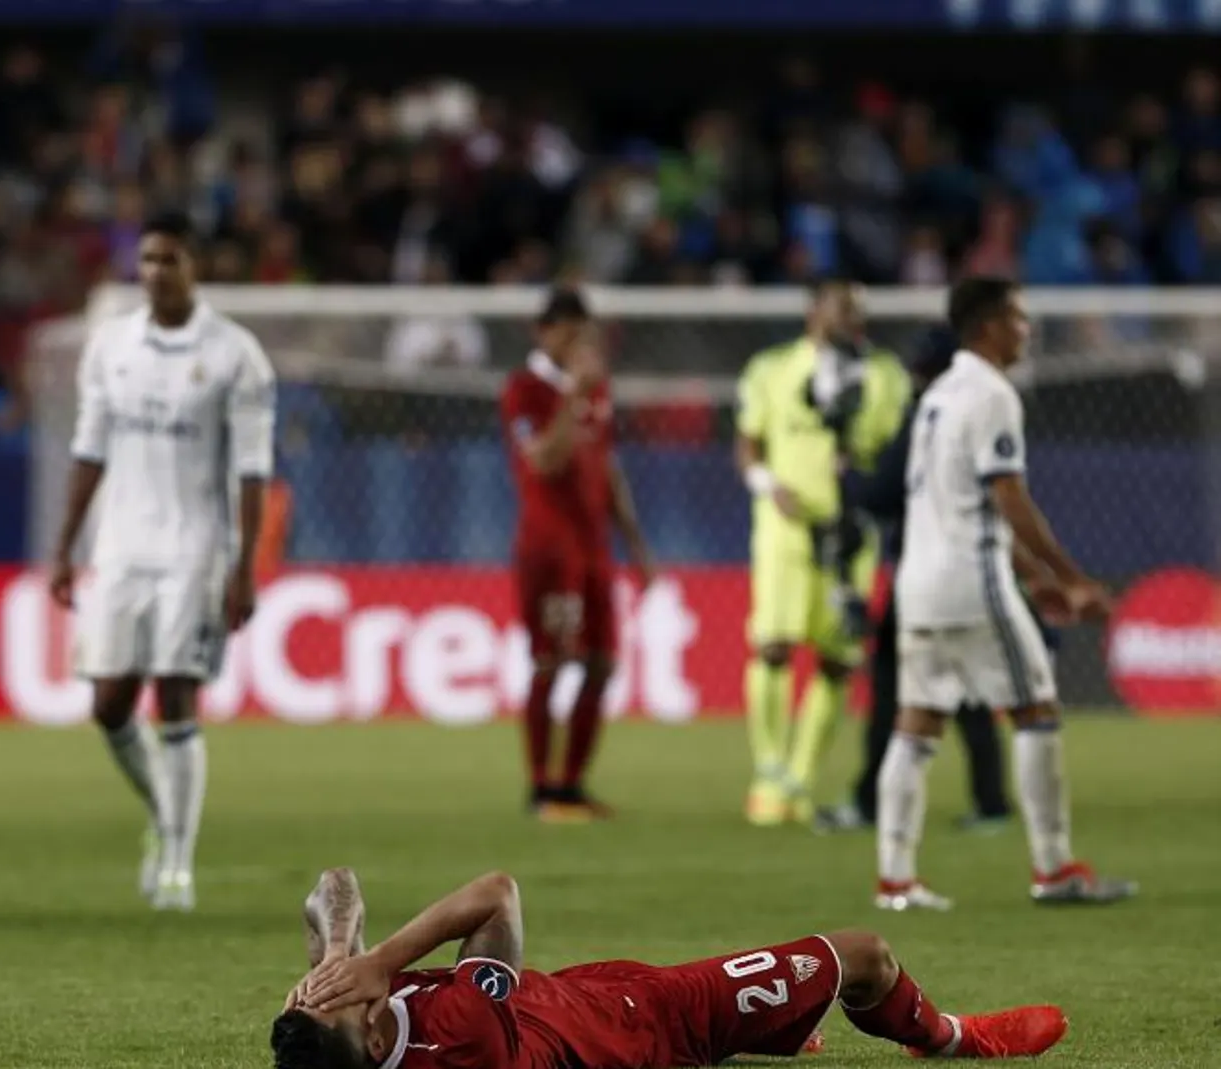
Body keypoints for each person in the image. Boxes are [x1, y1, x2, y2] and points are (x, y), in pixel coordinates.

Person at [879, 276, 1137, 910]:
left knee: (917, 723)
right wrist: (1071, 577)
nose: (1027, 329)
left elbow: (957, 505)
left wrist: (1038, 579)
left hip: (919, 582)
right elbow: (1008, 499)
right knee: (1037, 709)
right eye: (1019, 318)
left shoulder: (938, 393)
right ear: (989, 326)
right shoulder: (992, 394)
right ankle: (1054, 868)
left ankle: (895, 879)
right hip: (973, 580)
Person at [48, 210, 276, 911]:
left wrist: (243, 564)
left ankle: (177, 860)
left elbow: (252, 470)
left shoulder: (237, 355)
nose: (153, 272)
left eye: (167, 259)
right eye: (145, 259)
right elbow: (88, 450)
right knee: (110, 702)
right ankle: (165, 812)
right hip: (121, 547)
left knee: (177, 694)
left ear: (193, 267)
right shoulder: (110, 345)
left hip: (195, 548)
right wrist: (65, 546)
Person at [271, 868, 1069, 1069]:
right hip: (651, 1021)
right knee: (862, 954)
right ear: (377, 1045)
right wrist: (376, 959)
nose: (336, 988)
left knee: (779, 1000)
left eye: (317, 992)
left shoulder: (336, 1027)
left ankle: (778, 1028)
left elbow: (331, 884)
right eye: (340, 999)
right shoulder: (463, 1035)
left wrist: (338, 955)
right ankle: (952, 1038)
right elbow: (496, 897)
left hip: (578, 993)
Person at [819, 327, 1010, 834]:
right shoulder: (983, 416)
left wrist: (848, 476)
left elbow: (882, 493)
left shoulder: (929, 417)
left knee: (888, 690)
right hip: (972, 569)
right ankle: (991, 802)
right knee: (970, 691)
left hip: (925, 574)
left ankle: (869, 802)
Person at [735, 279, 911, 826]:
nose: (850, 318)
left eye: (857, 309)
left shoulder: (886, 376)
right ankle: (768, 771)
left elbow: (894, 450)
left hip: (852, 530)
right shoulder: (771, 368)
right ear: (814, 312)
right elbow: (747, 441)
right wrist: (766, 483)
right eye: (839, 308)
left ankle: (801, 778)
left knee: (838, 660)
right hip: (786, 527)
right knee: (775, 646)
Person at [499, 288, 652, 821]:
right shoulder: (524, 390)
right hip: (548, 547)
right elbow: (543, 460)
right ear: (545, 332)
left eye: (585, 333)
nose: (580, 343)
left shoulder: (595, 389)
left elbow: (605, 466)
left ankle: (571, 786)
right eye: (570, 332)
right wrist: (572, 396)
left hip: (594, 548)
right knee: (551, 661)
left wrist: (635, 543)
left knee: (603, 663)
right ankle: (541, 791)